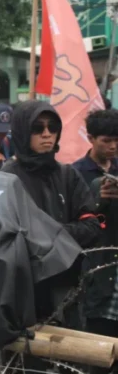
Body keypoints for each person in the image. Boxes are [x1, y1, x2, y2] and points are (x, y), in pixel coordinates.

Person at [1, 100, 102, 321]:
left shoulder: (68, 175)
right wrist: (60, 237)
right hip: (23, 292)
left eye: (53, 127)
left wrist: (46, 233)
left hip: (66, 287)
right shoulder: (7, 178)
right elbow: (7, 236)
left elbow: (91, 227)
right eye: (38, 128)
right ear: (22, 131)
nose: (47, 134)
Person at [72, 110, 118, 368]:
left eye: (117, 140)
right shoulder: (76, 174)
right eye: (106, 141)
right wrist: (97, 201)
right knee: (98, 349)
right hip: (96, 270)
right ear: (90, 138)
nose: (112, 146)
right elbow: (75, 223)